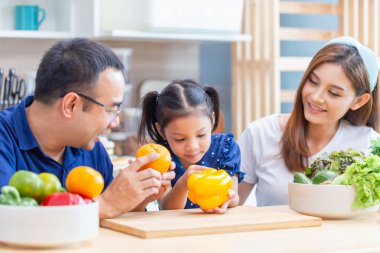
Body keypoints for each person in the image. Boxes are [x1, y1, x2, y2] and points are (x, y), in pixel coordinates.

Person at [0, 38, 175, 218]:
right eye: (111, 109)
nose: (114, 123)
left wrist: (137, 200)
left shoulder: (89, 145)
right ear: (71, 105)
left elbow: (108, 221)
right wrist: (106, 204)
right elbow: (7, 219)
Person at [238, 36, 380, 206]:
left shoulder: (369, 144)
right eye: (313, 81)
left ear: (358, 101)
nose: (316, 97)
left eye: (333, 93)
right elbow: (232, 208)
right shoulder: (260, 134)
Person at [138, 79, 245, 214]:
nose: (192, 147)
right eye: (180, 139)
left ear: (212, 121)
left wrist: (228, 199)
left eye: (201, 135)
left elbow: (234, 197)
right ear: (161, 131)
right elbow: (167, 208)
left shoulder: (225, 148)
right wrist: (183, 183)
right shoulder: (160, 158)